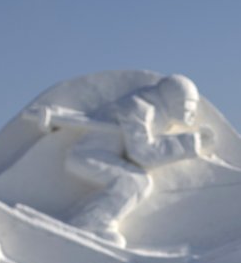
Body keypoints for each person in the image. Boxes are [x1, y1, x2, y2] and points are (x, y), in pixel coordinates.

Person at [32, 74, 214, 247]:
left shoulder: (154, 112)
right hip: (88, 156)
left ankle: (84, 218)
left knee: (136, 181)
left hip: (99, 155)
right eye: (187, 105)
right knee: (133, 181)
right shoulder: (137, 108)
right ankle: (91, 223)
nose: (191, 112)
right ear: (173, 100)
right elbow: (142, 153)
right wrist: (190, 142)